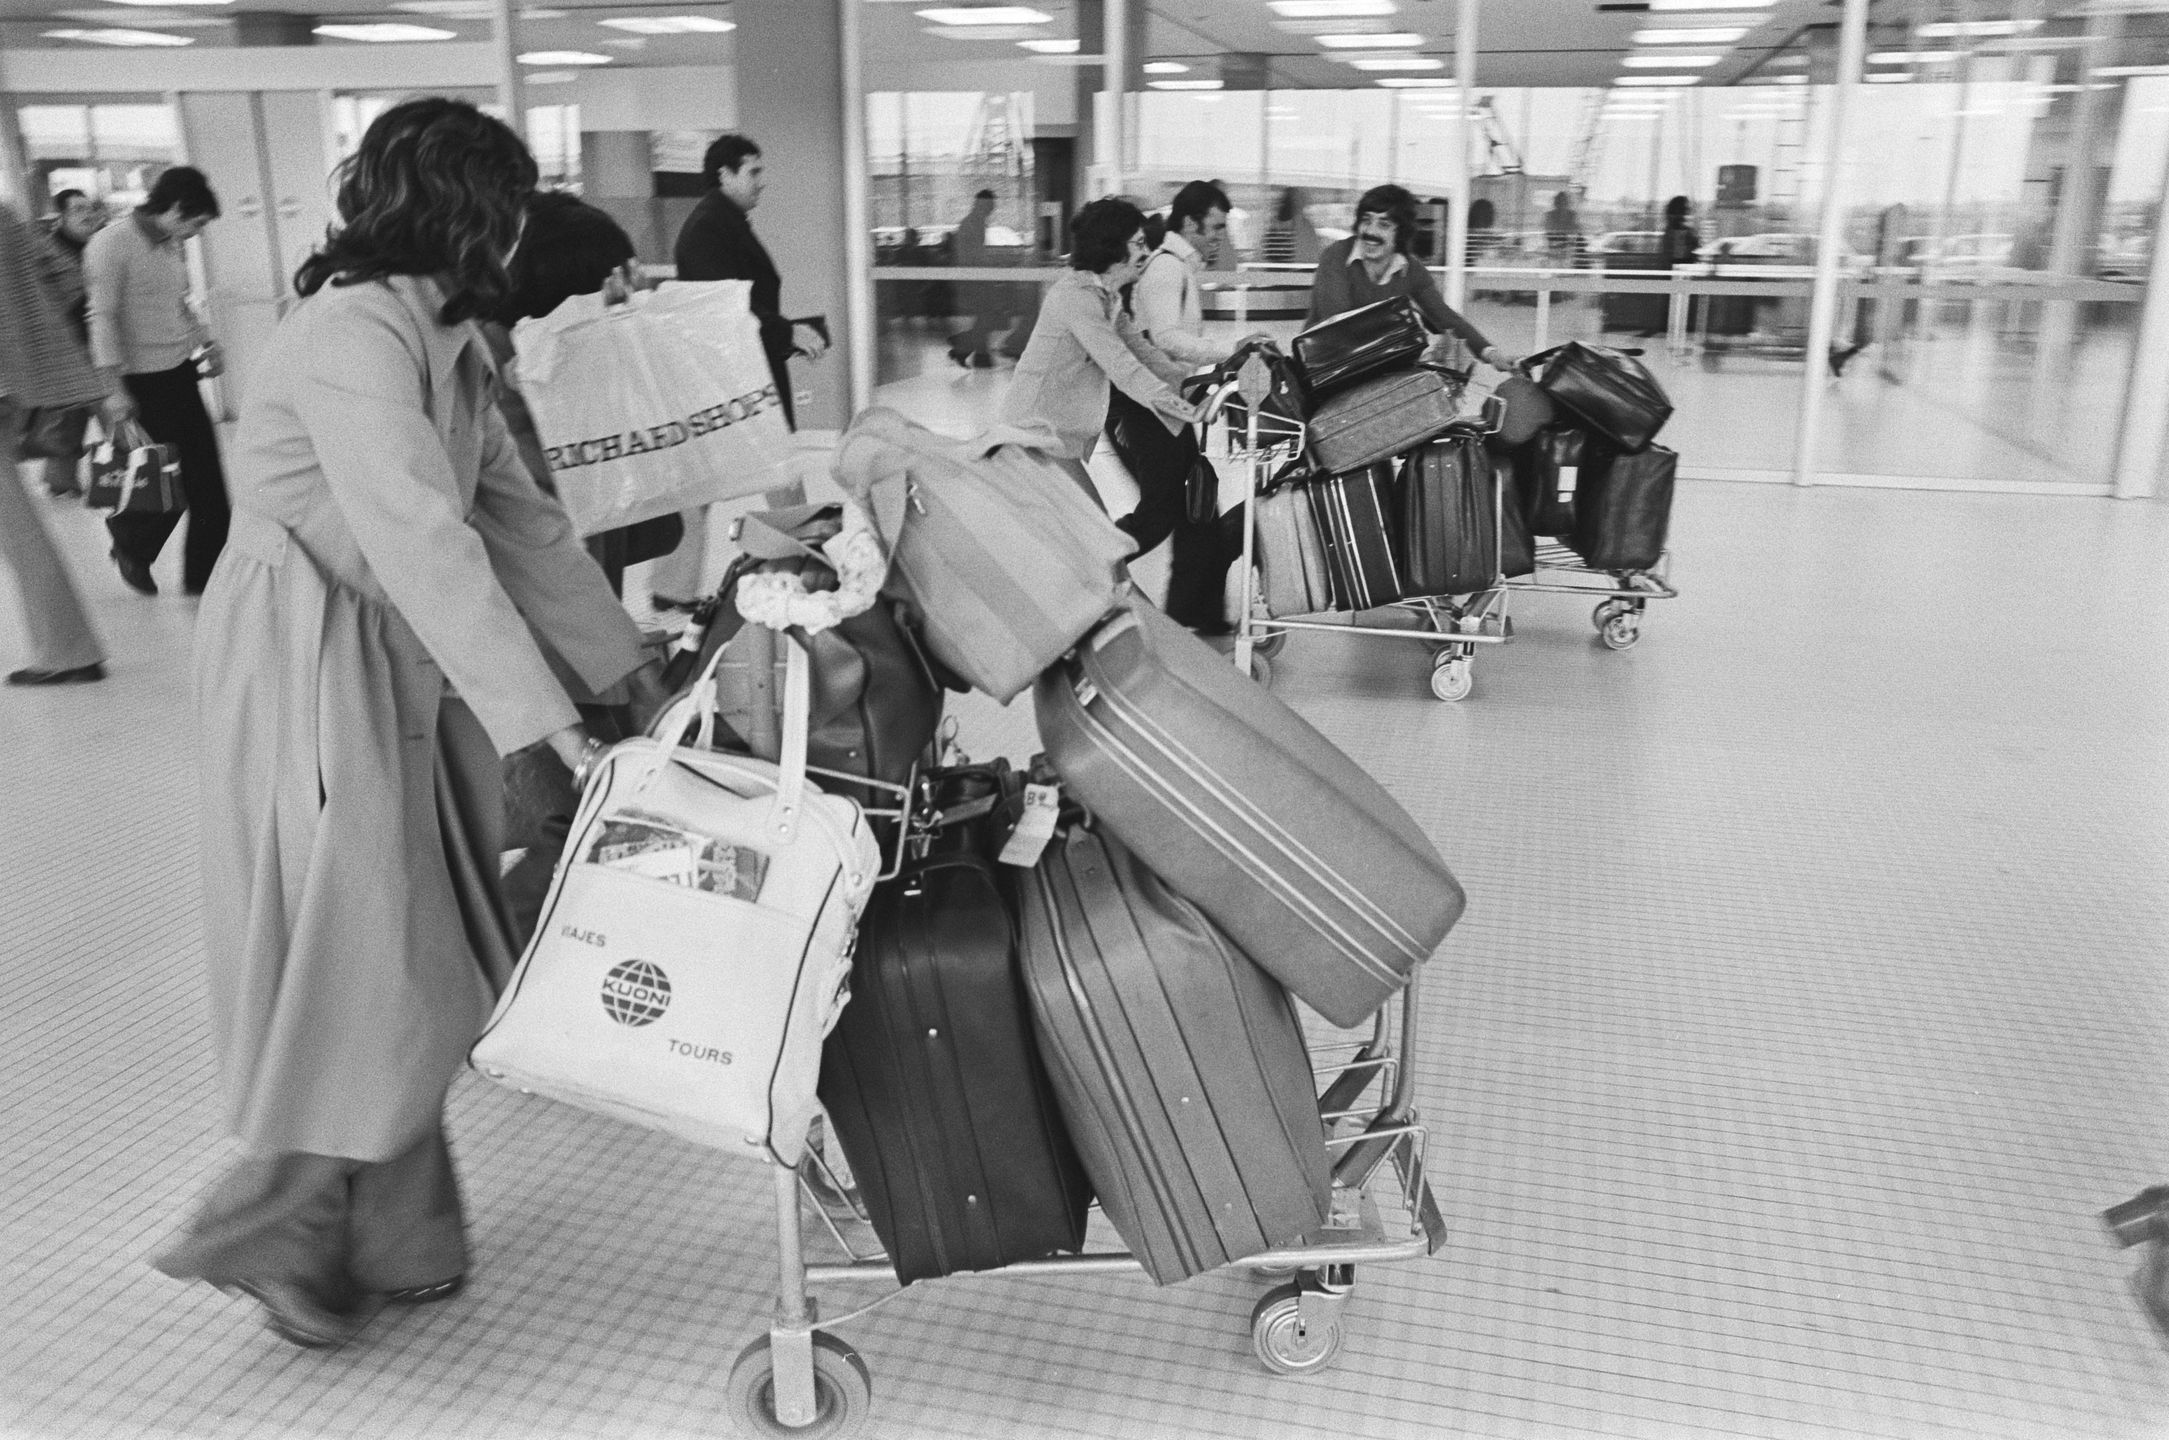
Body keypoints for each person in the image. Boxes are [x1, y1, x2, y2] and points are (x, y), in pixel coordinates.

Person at [151, 97, 664, 1351]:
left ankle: (393, 1233)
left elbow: (521, 523)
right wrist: (549, 725)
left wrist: (631, 673)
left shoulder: (447, 342)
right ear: (464, 213)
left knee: (419, 941)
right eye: (507, 206)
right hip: (304, 653)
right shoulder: (351, 335)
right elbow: (423, 542)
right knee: (369, 946)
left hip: (390, 651)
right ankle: (268, 1226)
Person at [650, 133, 824, 609]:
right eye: (753, 172)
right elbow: (726, 308)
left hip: (732, 373)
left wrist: (786, 332)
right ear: (724, 174)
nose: (761, 182)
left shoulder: (723, 221)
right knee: (776, 470)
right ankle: (809, 571)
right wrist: (786, 333)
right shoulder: (710, 226)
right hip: (733, 377)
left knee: (711, 479)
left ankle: (671, 585)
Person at [83, 165, 231, 596]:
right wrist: (113, 389)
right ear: (178, 208)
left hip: (179, 373)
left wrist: (207, 343)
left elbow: (179, 304)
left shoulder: (168, 244)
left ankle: (204, 578)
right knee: (163, 483)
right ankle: (131, 544)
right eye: (197, 223)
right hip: (140, 382)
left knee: (208, 482)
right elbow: (101, 318)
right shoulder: (111, 244)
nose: (197, 234)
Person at [1112, 180, 1249, 633]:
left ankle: (1197, 613)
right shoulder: (1167, 269)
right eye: (1214, 228)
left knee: (1199, 508)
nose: (1218, 238)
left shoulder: (1179, 267)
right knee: (1164, 510)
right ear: (1189, 223)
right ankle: (1087, 566)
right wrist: (1228, 351)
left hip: (1165, 402)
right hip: (1145, 405)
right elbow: (1166, 339)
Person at [0, 201, 125, 685]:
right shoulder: (6, 215)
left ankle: (67, 649)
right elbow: (69, 277)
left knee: (17, 525)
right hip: (15, 379)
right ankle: (68, 646)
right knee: (17, 523)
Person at [1307, 183, 1520, 374]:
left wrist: (1491, 354)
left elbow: (1445, 317)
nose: (1371, 231)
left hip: (1370, 368)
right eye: (1366, 220)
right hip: (1323, 367)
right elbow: (1335, 323)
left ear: (1401, 232)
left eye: (1384, 224)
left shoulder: (1411, 269)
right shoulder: (1336, 256)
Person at [31, 189, 105, 497]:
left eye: (89, 208)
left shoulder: (101, 244)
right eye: (77, 210)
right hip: (66, 345)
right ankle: (61, 481)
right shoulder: (45, 251)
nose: (87, 215)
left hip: (98, 340)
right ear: (60, 217)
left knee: (92, 413)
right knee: (67, 417)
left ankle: (127, 472)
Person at [946, 189, 1009, 368]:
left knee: (985, 315)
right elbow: (972, 255)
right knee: (988, 315)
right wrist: (994, 263)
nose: (992, 209)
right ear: (981, 204)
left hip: (976, 276)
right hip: (974, 278)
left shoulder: (976, 222)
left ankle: (968, 350)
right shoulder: (972, 224)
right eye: (990, 205)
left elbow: (975, 252)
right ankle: (970, 349)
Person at [1544, 189, 1582, 262]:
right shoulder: (1549, 215)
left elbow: (1574, 233)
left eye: (1564, 201)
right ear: (1556, 203)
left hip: (1567, 251)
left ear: (1567, 203)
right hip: (1554, 250)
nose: (1562, 204)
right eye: (1560, 201)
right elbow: (1549, 234)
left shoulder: (1572, 215)